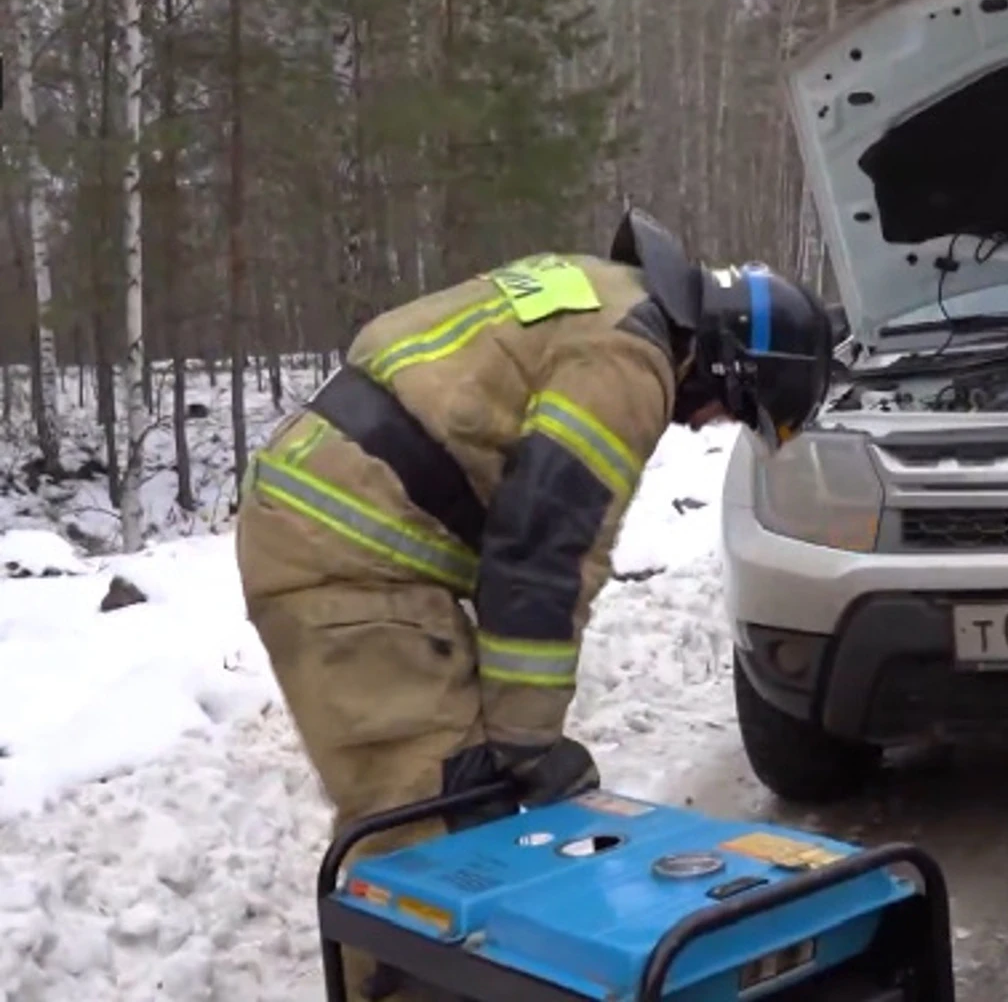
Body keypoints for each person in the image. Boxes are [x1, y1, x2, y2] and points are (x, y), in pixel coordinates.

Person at [233, 210, 833, 1002]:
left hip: (354, 535)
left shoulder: (601, 291)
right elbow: (542, 559)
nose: (704, 424)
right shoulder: (630, 359)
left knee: (464, 808)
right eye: (731, 412)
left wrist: (516, 747)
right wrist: (529, 745)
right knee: (431, 843)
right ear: (732, 365)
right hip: (346, 559)